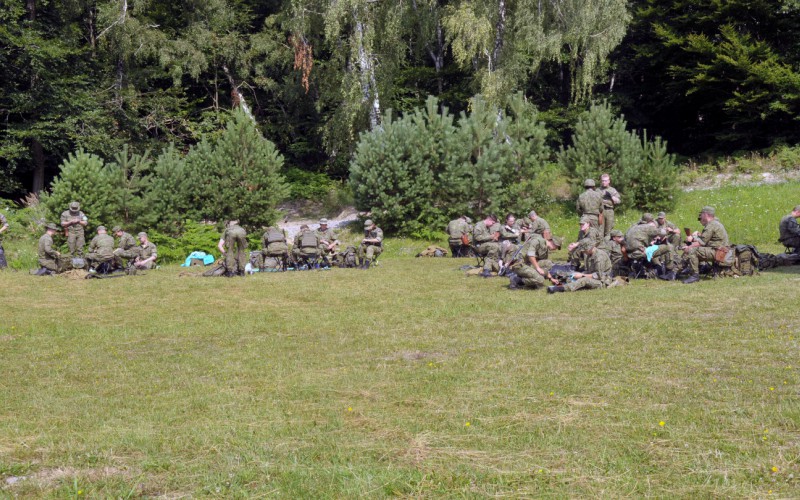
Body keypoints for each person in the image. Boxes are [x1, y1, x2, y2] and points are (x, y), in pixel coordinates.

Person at [682, 206, 729, 284]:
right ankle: (690, 269)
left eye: (702, 214)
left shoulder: (711, 225)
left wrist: (689, 247)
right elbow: (705, 240)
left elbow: (702, 242)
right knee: (695, 249)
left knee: (692, 250)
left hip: (718, 252)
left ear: (706, 214)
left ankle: (694, 275)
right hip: (719, 251)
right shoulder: (715, 223)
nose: (701, 216)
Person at [548, 244, 612, 293]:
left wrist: (582, 275)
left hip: (603, 281)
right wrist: (579, 274)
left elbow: (599, 275)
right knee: (572, 276)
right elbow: (589, 270)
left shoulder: (599, 257)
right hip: (593, 276)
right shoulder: (590, 255)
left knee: (584, 280)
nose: (583, 252)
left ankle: (561, 289)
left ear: (590, 248)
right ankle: (561, 283)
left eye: (584, 250)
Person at [599, 173, 621, 239]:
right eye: (602, 180)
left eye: (605, 180)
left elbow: (618, 201)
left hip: (609, 211)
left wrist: (611, 196)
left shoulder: (612, 190)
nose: (604, 182)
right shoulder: (598, 190)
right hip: (600, 212)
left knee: (608, 230)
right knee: (600, 230)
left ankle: (607, 246)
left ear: (609, 181)